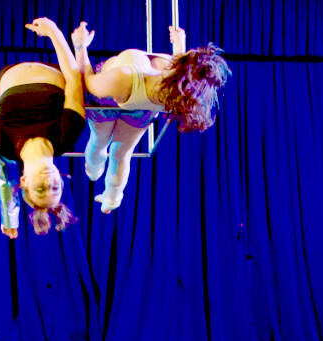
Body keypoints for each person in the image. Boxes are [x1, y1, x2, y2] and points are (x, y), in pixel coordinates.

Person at [69, 21, 229, 213]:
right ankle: (111, 199)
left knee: (100, 141)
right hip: (142, 107)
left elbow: (88, 82)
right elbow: (182, 74)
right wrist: (179, 47)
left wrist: (80, 47)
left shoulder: (124, 77)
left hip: (112, 96)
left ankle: (94, 172)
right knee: (121, 153)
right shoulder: (178, 95)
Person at [0, 18, 84, 236]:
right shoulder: (68, 134)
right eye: (55, 187)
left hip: (8, 75)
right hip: (52, 70)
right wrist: (54, 33)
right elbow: (74, 80)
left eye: (40, 188)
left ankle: (9, 219)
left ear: (24, 181)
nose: (48, 181)